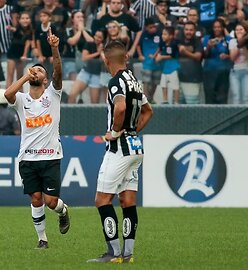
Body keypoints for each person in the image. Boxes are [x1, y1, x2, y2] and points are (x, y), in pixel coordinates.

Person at [87, 40, 153, 263]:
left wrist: (115, 132)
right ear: (125, 57)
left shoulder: (115, 82)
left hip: (119, 149)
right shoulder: (135, 81)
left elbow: (121, 107)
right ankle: (128, 255)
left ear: (106, 60)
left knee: (102, 200)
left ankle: (113, 253)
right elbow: (148, 111)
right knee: (128, 201)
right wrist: (131, 130)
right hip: (135, 146)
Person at [4, 27, 70, 249]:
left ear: (45, 80)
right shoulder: (22, 99)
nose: (36, 72)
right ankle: (42, 239)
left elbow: (58, 72)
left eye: (40, 71)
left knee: (51, 202)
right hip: (27, 158)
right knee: (35, 198)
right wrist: (24, 74)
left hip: (51, 156)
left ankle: (63, 210)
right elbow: (7, 94)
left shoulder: (53, 94)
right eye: (35, 70)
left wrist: (54, 48)